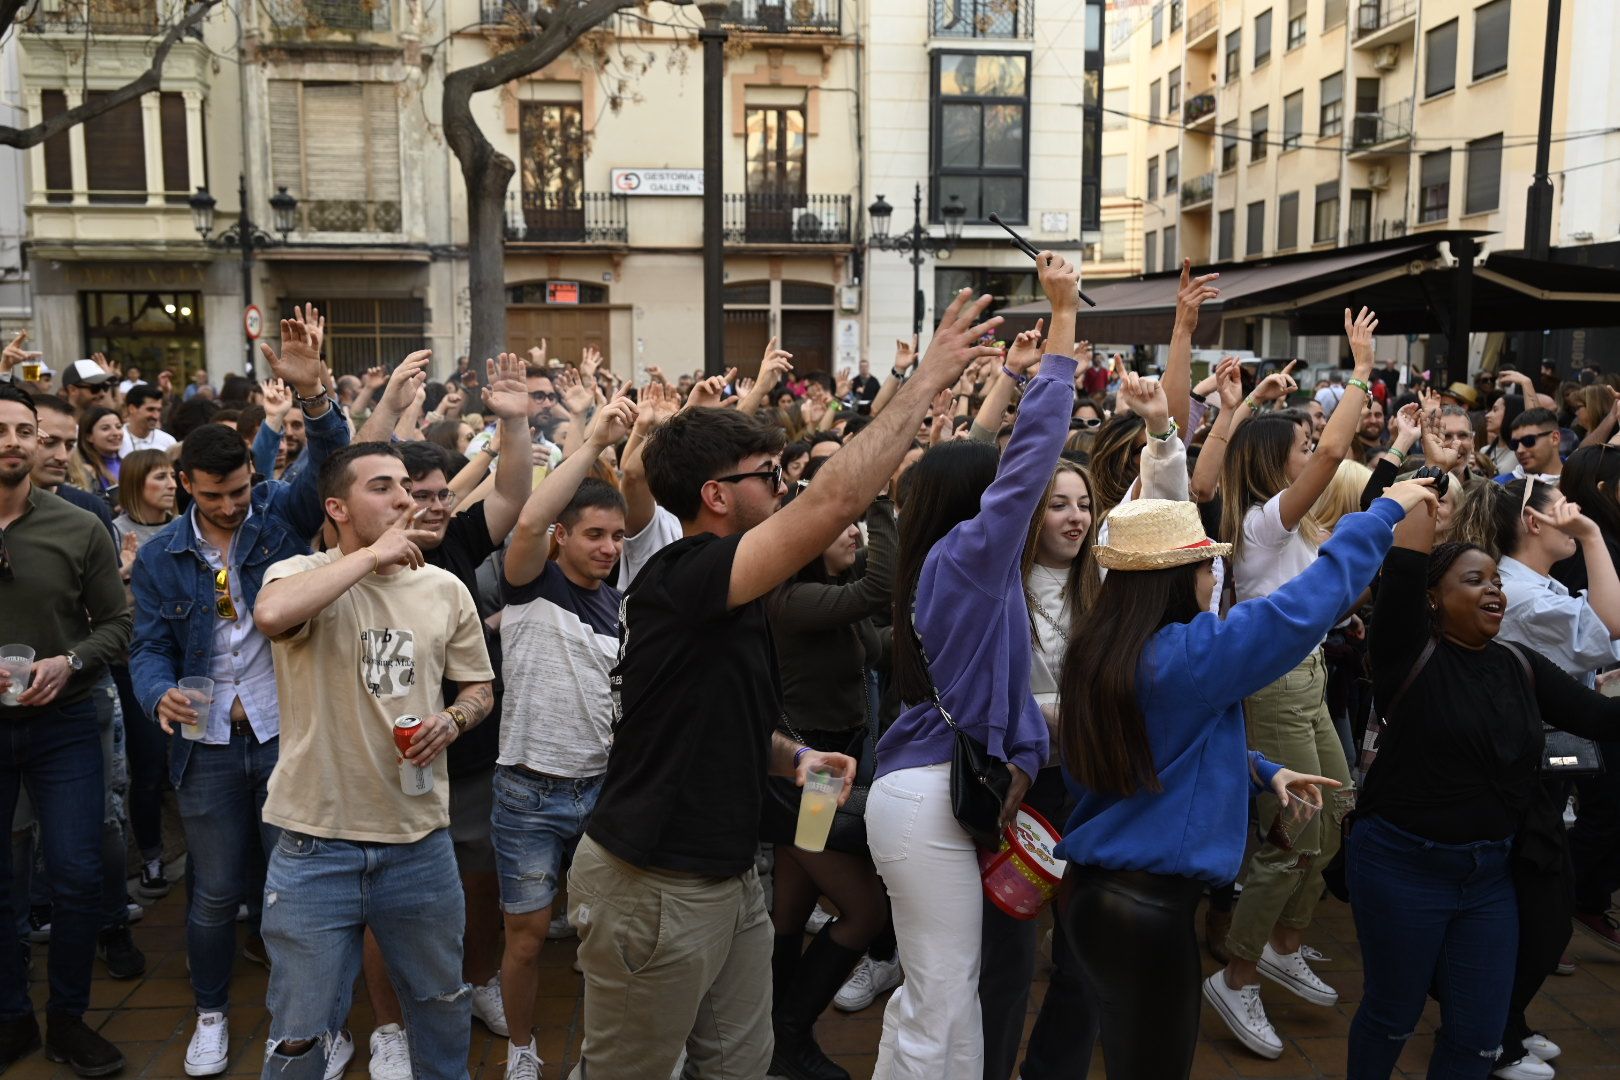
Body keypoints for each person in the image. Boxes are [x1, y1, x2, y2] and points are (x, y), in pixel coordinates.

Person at [565, 287, 1003, 1080]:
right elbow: (840, 496)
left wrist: (792, 758)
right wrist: (926, 378)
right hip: (655, 885)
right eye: (771, 475)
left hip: (728, 880)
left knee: (743, 1064)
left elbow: (706, 715)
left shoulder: (729, 593)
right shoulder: (689, 572)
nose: (788, 489)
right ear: (717, 497)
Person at [1057, 482, 1428, 1080]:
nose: (1215, 580)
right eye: (1209, 566)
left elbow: (1156, 747)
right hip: (1144, 910)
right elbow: (1303, 609)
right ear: (1180, 578)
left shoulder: (1102, 649)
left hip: (1096, 896)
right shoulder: (1190, 653)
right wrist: (1384, 511)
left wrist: (1260, 768)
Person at [866, 252, 1079, 1080]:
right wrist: (1064, 323)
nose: (1021, 509)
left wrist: (1008, 380)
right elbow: (1025, 465)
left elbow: (984, 462)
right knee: (946, 998)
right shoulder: (967, 560)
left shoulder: (946, 560)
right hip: (926, 799)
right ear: (977, 507)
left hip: (931, 793)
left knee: (939, 1001)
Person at [128, 317, 350, 1079]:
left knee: (299, 890)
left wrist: (313, 389)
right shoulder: (161, 556)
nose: (232, 506)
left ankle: (311, 1019)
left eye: (242, 491)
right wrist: (159, 694)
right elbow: (149, 646)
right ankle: (213, 1015)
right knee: (217, 894)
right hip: (209, 747)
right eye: (217, 495)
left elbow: (332, 460)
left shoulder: (277, 518)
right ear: (184, 484)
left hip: (289, 732)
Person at [1347, 496, 1620, 1079]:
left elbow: (1602, 720)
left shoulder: (1518, 663)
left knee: (1476, 1038)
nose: (1495, 590)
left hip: (1490, 877)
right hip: (1402, 867)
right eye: (1474, 580)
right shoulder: (1406, 654)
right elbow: (1403, 565)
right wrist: (1425, 489)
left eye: (1497, 580)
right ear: (1432, 598)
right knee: (1393, 1015)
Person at [250, 442, 496, 1080]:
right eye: (383, 487)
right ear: (337, 506)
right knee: (299, 1034)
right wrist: (368, 557)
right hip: (315, 845)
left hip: (418, 842)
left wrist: (453, 719)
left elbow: (478, 688)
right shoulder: (296, 573)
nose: (405, 500)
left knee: (442, 1006)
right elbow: (271, 614)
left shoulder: (443, 588)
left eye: (406, 488)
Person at [351, 355, 532, 1076]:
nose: (426, 505)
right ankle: (389, 1027)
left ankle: (481, 980)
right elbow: (348, 467)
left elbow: (515, 494)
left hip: (474, 746)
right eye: (409, 493)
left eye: (435, 493)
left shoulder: (457, 540)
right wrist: (386, 409)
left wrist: (514, 421)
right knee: (387, 897)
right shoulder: (356, 555)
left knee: (482, 881)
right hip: (388, 759)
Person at [1208, 308, 1380, 1059]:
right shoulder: (1260, 524)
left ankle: (1281, 944)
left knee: (1335, 808)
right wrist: (1361, 369)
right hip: (1272, 684)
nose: (1314, 454)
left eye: (1311, 448)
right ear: (1274, 464)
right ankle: (1238, 977)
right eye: (1301, 450)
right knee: (1289, 834)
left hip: (1305, 674)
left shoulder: (1293, 530)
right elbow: (1340, 442)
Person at [491, 395, 635, 1080]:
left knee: (601, 940)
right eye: (594, 535)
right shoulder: (530, 582)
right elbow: (527, 517)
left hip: (604, 790)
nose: (608, 548)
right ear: (562, 537)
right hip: (527, 792)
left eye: (616, 537)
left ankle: (594, 1056)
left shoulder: (618, 605)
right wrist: (593, 440)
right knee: (523, 938)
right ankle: (521, 1051)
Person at [0, 382, 131, 1076]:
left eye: (25, 430)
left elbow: (119, 624)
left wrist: (69, 659)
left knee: (78, 875)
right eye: (2, 430)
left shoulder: (78, 524)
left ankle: (69, 1019)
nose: (14, 442)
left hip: (66, 720)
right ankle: (11, 1016)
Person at [762, 459, 897, 1080]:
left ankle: (770, 1042)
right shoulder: (796, 599)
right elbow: (879, 592)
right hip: (809, 774)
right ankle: (788, 1036)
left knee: (789, 911)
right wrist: (879, 503)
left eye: (857, 526)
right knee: (865, 911)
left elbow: (880, 626)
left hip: (828, 765)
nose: (855, 535)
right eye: (843, 527)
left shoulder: (833, 595)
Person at [976, 452, 1098, 1080]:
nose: (1076, 518)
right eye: (1059, 504)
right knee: (1008, 958)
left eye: (1083, 504)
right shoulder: (999, 591)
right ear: (1030, 515)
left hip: (1093, 790)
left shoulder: (1105, 588)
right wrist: (1049, 720)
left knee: (1085, 956)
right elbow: (982, 689)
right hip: (1023, 790)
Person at [111, 449, 177, 550]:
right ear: (135, 483)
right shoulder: (115, 531)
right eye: (160, 477)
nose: (173, 485)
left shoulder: (187, 527)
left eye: (173, 476)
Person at [1495, 408, 1563, 485]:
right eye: (1514, 444)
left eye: (1528, 440)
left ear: (1554, 438)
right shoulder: (1499, 487)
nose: (1520, 450)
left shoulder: (1576, 478)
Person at [76, 407, 122, 509]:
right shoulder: (84, 471)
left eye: (118, 427)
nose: (116, 433)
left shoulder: (128, 463)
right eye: (105, 428)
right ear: (89, 436)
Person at [120, 385, 176, 457]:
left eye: (159, 410)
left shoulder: (168, 442)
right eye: (150, 409)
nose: (156, 416)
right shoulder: (117, 441)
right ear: (132, 409)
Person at [1482, 393, 1526, 477]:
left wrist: (1525, 382)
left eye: (1495, 410)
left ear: (1511, 412)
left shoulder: (1521, 451)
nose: (1487, 415)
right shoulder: (1484, 451)